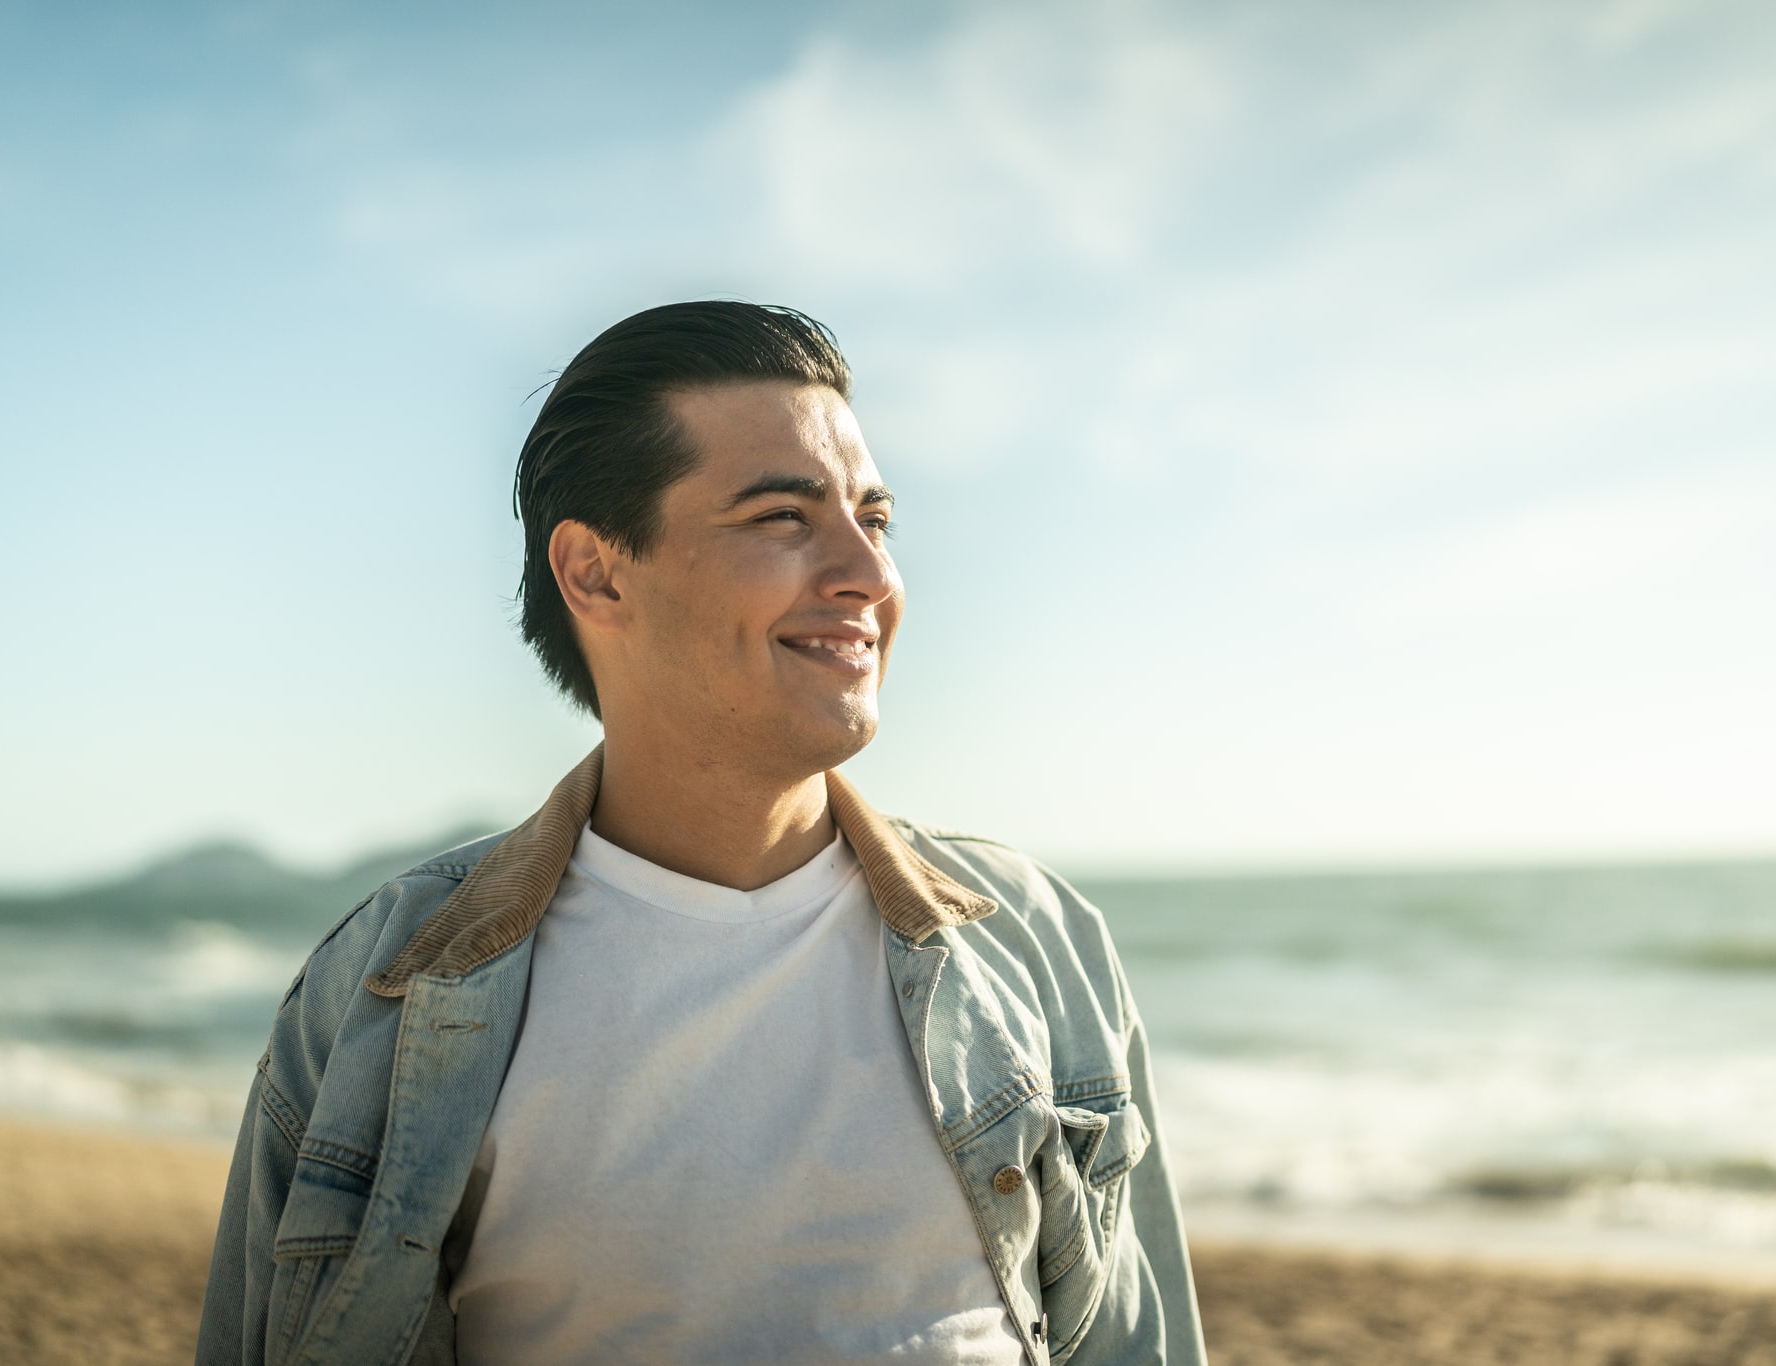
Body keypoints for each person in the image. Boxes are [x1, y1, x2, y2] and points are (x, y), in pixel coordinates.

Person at [196, 301, 1206, 1365]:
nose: (868, 573)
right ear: (593, 571)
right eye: (783, 516)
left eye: (875, 516)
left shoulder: (1037, 942)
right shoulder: (384, 987)